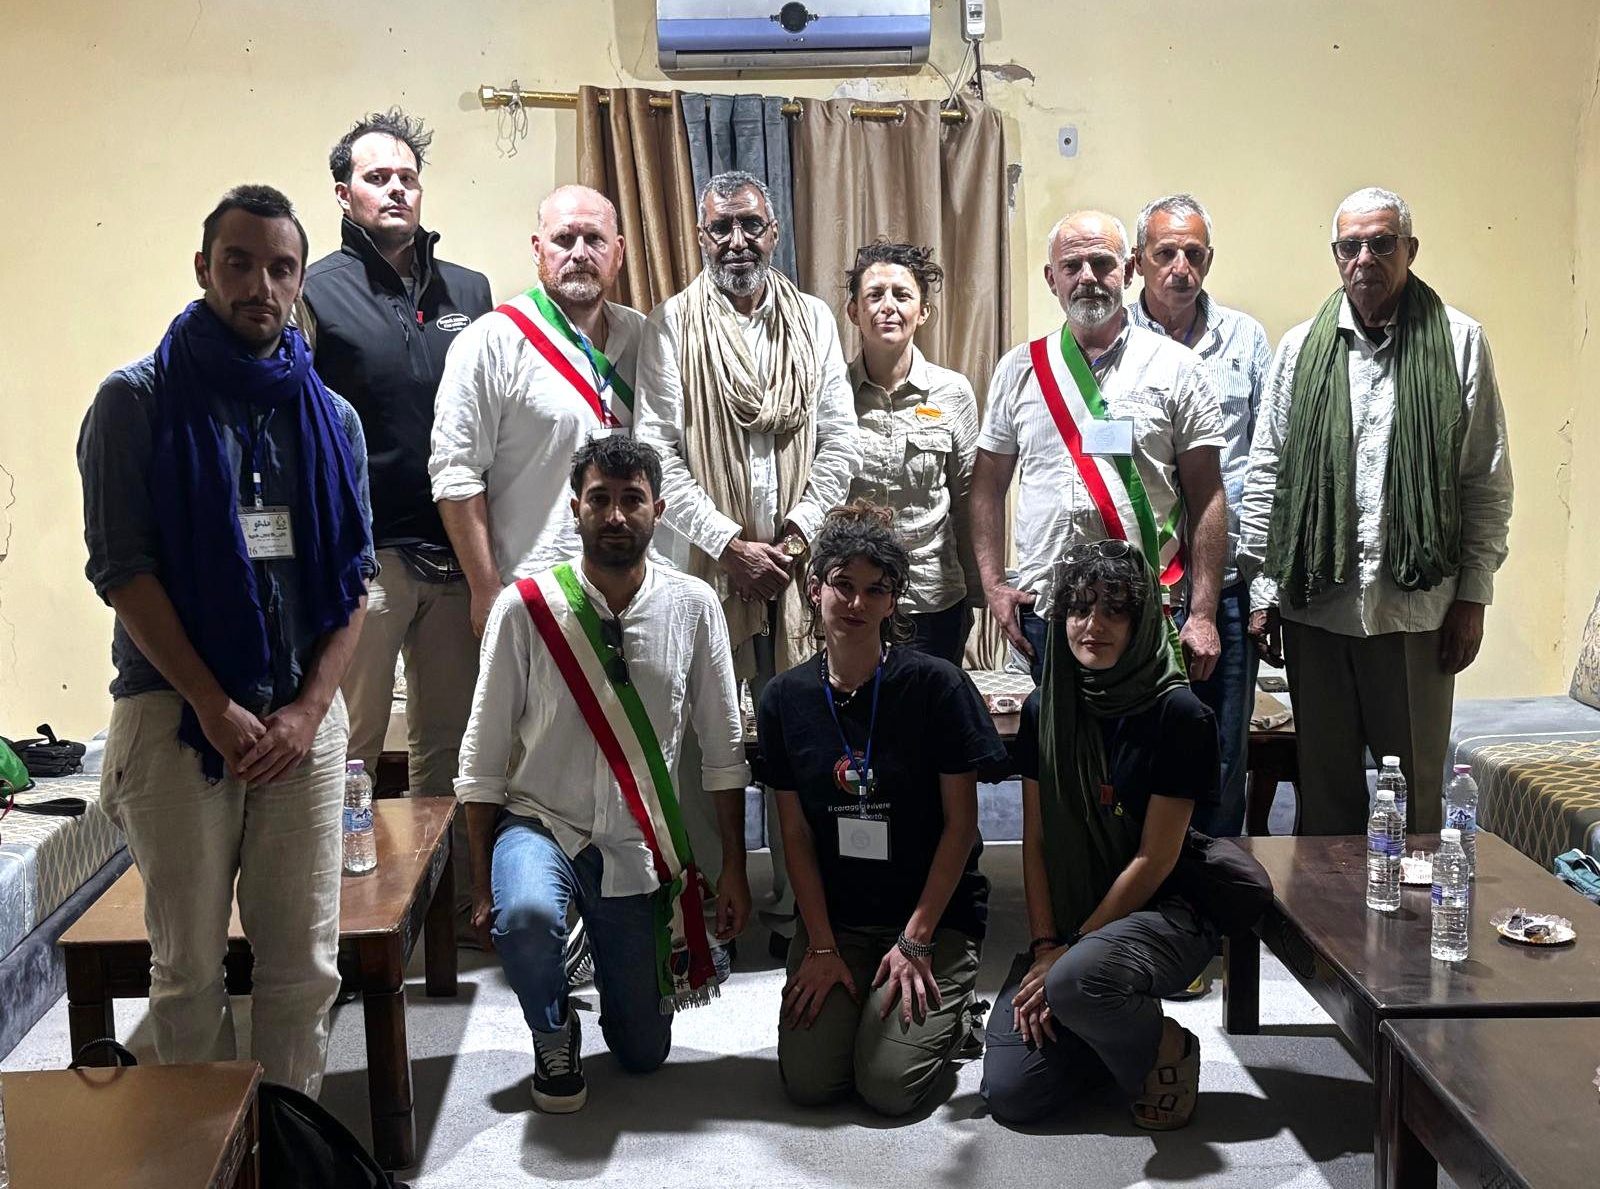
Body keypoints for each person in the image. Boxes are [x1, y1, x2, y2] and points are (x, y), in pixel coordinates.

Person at [77, 185, 374, 1095]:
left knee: (304, 968)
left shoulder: (332, 418)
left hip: (301, 724)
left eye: (281, 268)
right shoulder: (134, 402)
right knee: (187, 972)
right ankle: (204, 1153)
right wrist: (212, 703)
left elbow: (353, 582)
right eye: (239, 264)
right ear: (203, 268)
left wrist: (309, 712)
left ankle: (284, 1142)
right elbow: (123, 569)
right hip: (176, 718)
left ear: (300, 281)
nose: (260, 286)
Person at [453, 435, 752, 1114]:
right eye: (600, 500)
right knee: (526, 917)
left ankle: (605, 958)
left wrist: (732, 866)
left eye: (632, 500)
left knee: (642, 1054)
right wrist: (480, 879)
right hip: (541, 823)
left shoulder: (694, 605)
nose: (615, 516)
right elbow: (483, 753)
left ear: (658, 510)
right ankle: (552, 1029)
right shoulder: (525, 606)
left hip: (637, 843)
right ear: (575, 508)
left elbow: (724, 749)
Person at [1239, 187, 1513, 835]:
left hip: (1416, 612)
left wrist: (1473, 596)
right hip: (1317, 609)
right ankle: (1326, 907)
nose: (1365, 258)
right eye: (1350, 246)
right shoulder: (1299, 349)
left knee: (1416, 803)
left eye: (1381, 243)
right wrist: (1263, 590)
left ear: (1409, 250)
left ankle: (1413, 905)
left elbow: (1484, 479)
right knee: (1325, 803)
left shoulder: (1460, 342)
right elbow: (1268, 474)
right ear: (1336, 255)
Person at [634, 169, 861, 943]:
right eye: (721, 227)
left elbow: (840, 441)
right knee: (703, 737)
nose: (737, 240)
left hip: (798, 571)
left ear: (774, 233)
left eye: (750, 225)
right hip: (706, 571)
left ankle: (806, 908)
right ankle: (707, 907)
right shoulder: (671, 324)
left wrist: (793, 540)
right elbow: (657, 451)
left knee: (806, 731)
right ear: (701, 236)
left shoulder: (813, 319)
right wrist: (728, 546)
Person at [300, 107, 492, 937]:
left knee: (450, 749)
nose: (395, 189)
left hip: (457, 555)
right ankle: (346, 920)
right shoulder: (314, 291)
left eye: (407, 177)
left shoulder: (471, 293)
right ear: (344, 193)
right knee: (351, 746)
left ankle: (443, 918)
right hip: (366, 561)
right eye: (376, 177)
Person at [759, 504, 1004, 1116]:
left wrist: (916, 939)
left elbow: (961, 827)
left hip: (931, 920)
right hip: (838, 920)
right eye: (843, 584)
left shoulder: (937, 686)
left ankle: (957, 1018)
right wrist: (819, 946)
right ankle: (867, 1001)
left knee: (888, 1087)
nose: (856, 603)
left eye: (876, 590)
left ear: (894, 602)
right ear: (814, 588)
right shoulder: (784, 698)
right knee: (811, 1083)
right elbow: (795, 834)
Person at [980, 542, 1219, 1130]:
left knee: (1076, 980)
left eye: (1114, 611)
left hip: (1164, 915)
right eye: (1080, 609)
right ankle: (1095, 1024)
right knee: (1013, 1094)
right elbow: (1035, 843)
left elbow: (1154, 859)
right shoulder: (1044, 709)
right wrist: (1045, 946)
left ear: (1140, 624)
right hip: (1067, 931)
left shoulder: (1180, 715)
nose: (1093, 626)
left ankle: (1165, 1043)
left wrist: (1071, 951)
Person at [972, 210, 1227, 689]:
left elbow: (1208, 495)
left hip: (1147, 608)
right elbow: (987, 487)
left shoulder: (1177, 367)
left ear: (1128, 271)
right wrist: (993, 586)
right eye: (1072, 266)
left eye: (1102, 263)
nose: (1087, 277)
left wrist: (1203, 614)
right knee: (1056, 737)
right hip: (1049, 610)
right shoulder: (1019, 369)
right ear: (1052, 278)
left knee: (1148, 738)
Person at [432, 184, 646, 634]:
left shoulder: (646, 339)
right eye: (564, 239)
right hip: (534, 595)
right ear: (537, 248)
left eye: (595, 239)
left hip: (635, 594)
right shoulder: (490, 341)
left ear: (619, 252)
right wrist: (486, 590)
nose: (579, 253)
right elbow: (455, 473)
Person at [1129, 194, 1273, 839]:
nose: (1179, 267)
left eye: (1193, 254)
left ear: (1209, 260)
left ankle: (1214, 888)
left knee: (1220, 750)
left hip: (1227, 582)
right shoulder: (1113, 342)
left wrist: (1263, 586)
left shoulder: (1246, 340)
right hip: (1140, 587)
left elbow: (1268, 463)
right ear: (1139, 262)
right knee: (1140, 745)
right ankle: (1141, 882)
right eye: (1165, 253)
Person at [841, 243, 981, 666]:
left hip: (932, 600)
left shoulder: (953, 392)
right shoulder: (831, 394)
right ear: (854, 311)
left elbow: (968, 503)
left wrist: (978, 594)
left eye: (902, 295)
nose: (889, 306)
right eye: (875, 295)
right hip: (854, 600)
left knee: (928, 706)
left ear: (923, 312)